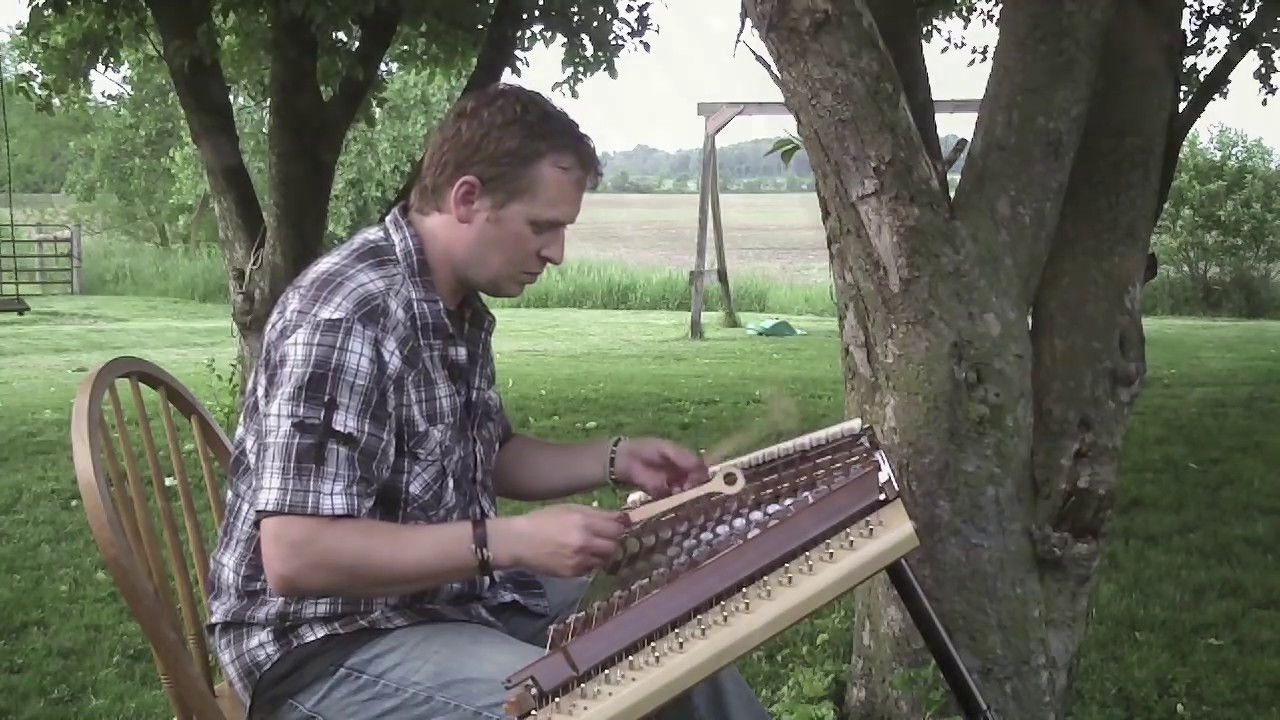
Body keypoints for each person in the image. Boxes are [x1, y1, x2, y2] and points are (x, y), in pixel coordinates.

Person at [205, 84, 772, 720]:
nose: (556, 253)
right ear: (467, 198)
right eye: (542, 226)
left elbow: (489, 456)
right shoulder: (349, 312)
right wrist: (508, 540)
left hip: (440, 604)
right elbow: (296, 553)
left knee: (672, 632)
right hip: (319, 646)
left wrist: (616, 459)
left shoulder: (453, 306)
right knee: (582, 700)